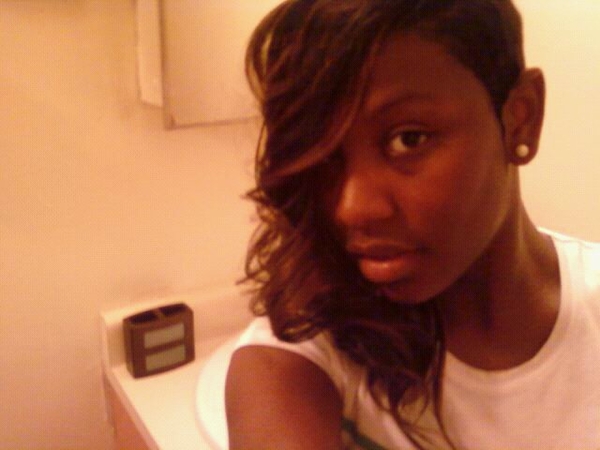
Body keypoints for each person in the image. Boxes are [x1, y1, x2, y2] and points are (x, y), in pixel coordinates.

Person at [224, 1, 600, 448]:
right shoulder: (300, 353)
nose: (353, 209)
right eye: (326, 157)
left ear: (521, 118)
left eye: (409, 139)